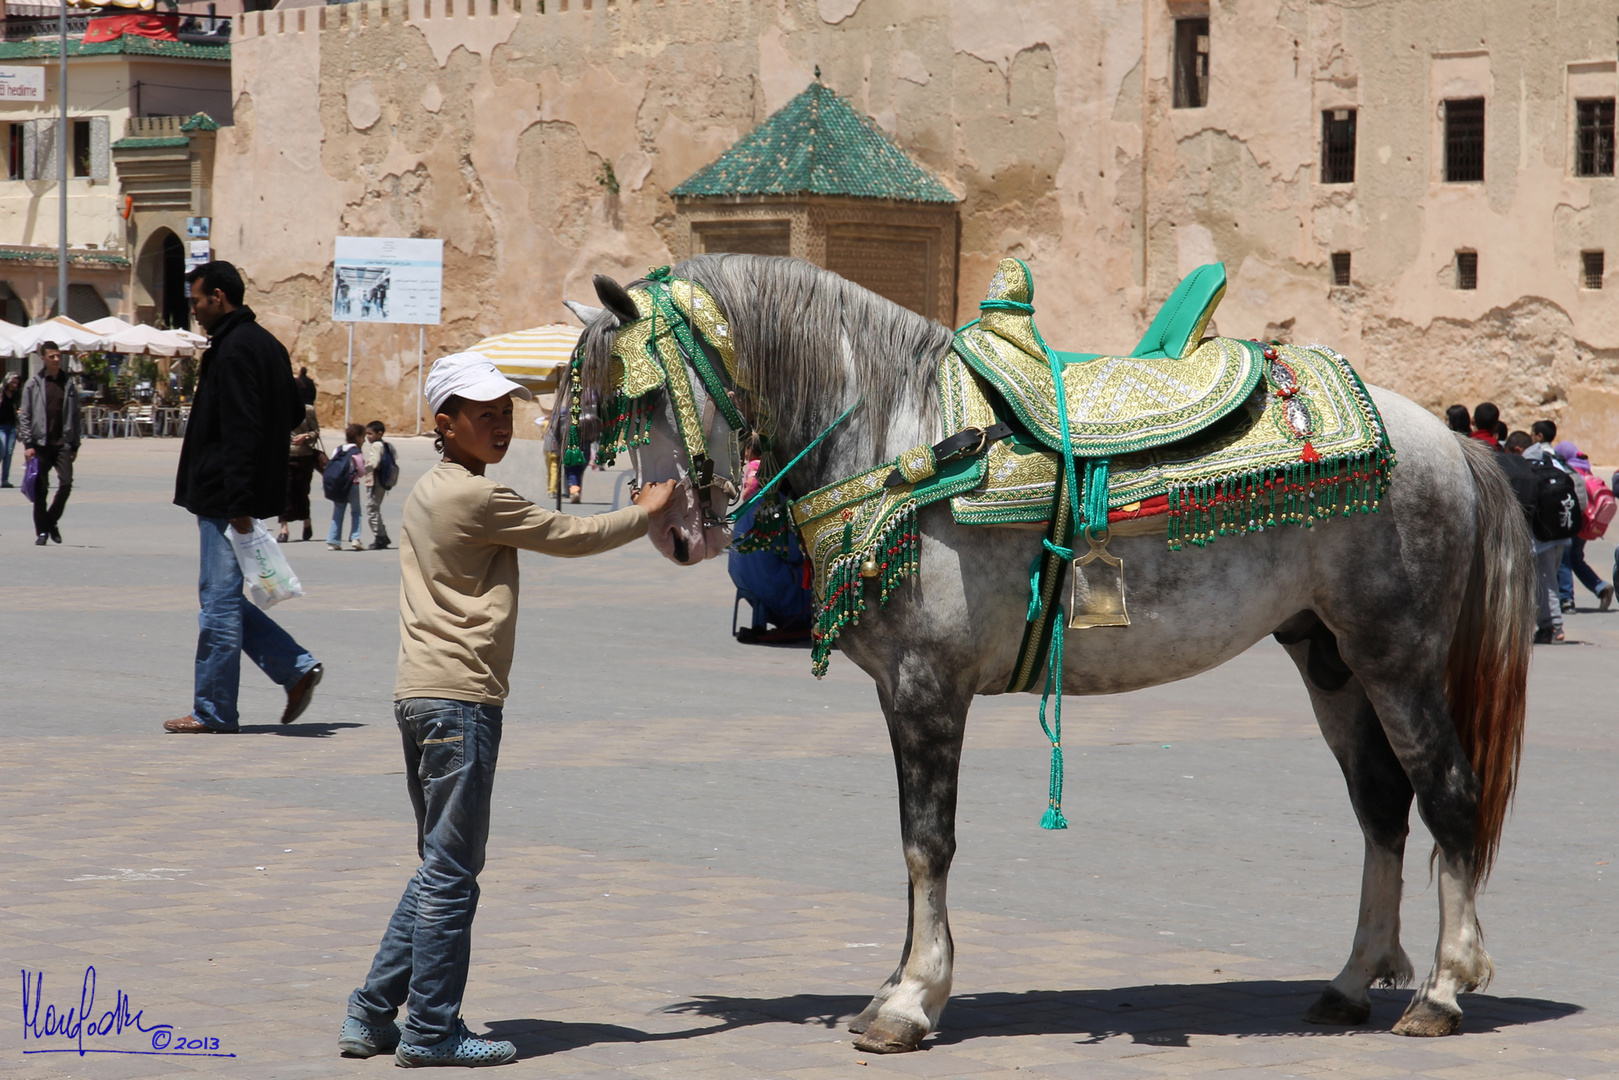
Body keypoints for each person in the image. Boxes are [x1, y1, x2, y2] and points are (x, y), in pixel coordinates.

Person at [340, 352, 674, 1067]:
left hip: (422, 695)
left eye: (505, 412)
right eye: (483, 413)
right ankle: (429, 1030)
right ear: (445, 423)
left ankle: (372, 1013)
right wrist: (646, 510)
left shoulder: (431, 490)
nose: (499, 424)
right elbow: (570, 535)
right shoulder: (474, 498)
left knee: (438, 867)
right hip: (459, 702)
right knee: (453, 875)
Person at [165, 260, 324, 734]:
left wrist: (237, 504)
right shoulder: (267, 346)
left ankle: (214, 710)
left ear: (218, 296)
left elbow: (239, 431)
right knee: (224, 599)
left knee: (216, 603)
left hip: (225, 497)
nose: (192, 310)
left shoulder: (233, 350)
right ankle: (294, 668)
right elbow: (294, 408)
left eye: (195, 301)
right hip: (237, 494)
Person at [17, 343, 80, 545]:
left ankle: (50, 520)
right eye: (52, 356)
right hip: (40, 443)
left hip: (62, 443)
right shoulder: (34, 384)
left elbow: (76, 415)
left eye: (58, 356)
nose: (56, 359)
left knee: (67, 483)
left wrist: (75, 444)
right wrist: (28, 444)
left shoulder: (68, 383)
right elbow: (25, 415)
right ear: (43, 358)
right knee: (40, 489)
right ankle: (42, 532)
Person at [1553, 440, 1613, 612]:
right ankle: (1600, 587)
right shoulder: (1584, 468)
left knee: (1565, 561)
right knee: (1576, 559)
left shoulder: (1569, 471)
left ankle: (1566, 600)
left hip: (1573, 523)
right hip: (1586, 522)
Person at [279, 400, 321, 543]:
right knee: (285, 492)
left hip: (304, 456)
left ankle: (306, 522)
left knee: (302, 492)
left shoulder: (307, 410)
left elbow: (315, 431)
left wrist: (305, 437)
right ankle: (284, 529)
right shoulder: (280, 406)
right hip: (285, 456)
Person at [327, 422, 367, 551]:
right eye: (363, 437)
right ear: (359, 437)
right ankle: (355, 538)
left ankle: (333, 541)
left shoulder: (337, 450)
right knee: (356, 512)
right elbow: (361, 472)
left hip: (338, 485)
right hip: (352, 485)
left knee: (338, 512)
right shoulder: (356, 452)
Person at [362, 419, 394, 550]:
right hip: (383, 481)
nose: (367, 437)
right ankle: (383, 535)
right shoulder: (387, 445)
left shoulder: (376, 446)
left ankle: (380, 537)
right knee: (375, 508)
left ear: (379, 433)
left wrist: (360, 470)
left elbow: (373, 463)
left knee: (372, 509)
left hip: (375, 482)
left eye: (370, 433)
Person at [0, 370, 19, 487]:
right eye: (13, 382)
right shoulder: (1, 393)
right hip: (1, 426)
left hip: (12, 426)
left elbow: (18, 408)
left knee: (9, 453)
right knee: (1, 451)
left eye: (17, 383)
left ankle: (5, 479)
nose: (15, 385)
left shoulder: (16, 395)